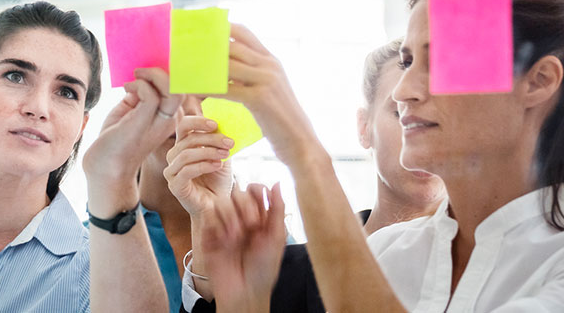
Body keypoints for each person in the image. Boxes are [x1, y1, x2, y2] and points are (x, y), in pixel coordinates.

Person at [182, 0, 564, 312]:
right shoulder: (389, 252)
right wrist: (248, 302)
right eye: (409, 61)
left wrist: (303, 152)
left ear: (539, 81)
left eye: (443, 58)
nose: (404, 91)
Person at [0, 1, 169, 312]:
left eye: (66, 92)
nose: (38, 107)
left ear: (81, 126)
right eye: (15, 76)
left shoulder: (98, 275)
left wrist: (113, 177)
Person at [167, 38, 447, 312]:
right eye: (401, 112)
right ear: (364, 128)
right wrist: (207, 217)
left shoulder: (486, 267)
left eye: (444, 114)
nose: (424, 134)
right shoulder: (279, 273)